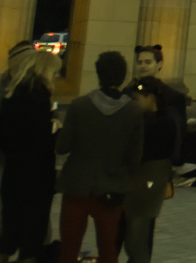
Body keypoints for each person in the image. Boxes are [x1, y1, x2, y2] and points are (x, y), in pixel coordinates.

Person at [56, 49, 144, 263]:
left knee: (69, 247)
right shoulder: (134, 111)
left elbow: (62, 146)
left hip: (77, 185)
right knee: (108, 248)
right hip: (111, 188)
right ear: (123, 76)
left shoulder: (80, 106)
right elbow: (135, 156)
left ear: (98, 74)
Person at [0, 48, 61, 262]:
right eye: (56, 73)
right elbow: (41, 142)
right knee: (32, 240)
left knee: (8, 234)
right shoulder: (40, 100)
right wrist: (56, 131)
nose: (57, 77)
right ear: (46, 72)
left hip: (12, 174)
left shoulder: (11, 96)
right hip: (37, 179)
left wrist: (13, 151)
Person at [0, 39, 36, 263]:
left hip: (28, 172)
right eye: (28, 65)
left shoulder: (36, 93)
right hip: (0, 168)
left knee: (34, 232)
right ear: (15, 67)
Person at [122, 76, 180, 263]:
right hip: (143, 184)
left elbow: (146, 152)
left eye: (137, 98)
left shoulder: (162, 122)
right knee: (134, 238)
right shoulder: (152, 119)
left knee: (137, 239)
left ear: (151, 97)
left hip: (148, 184)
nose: (134, 102)